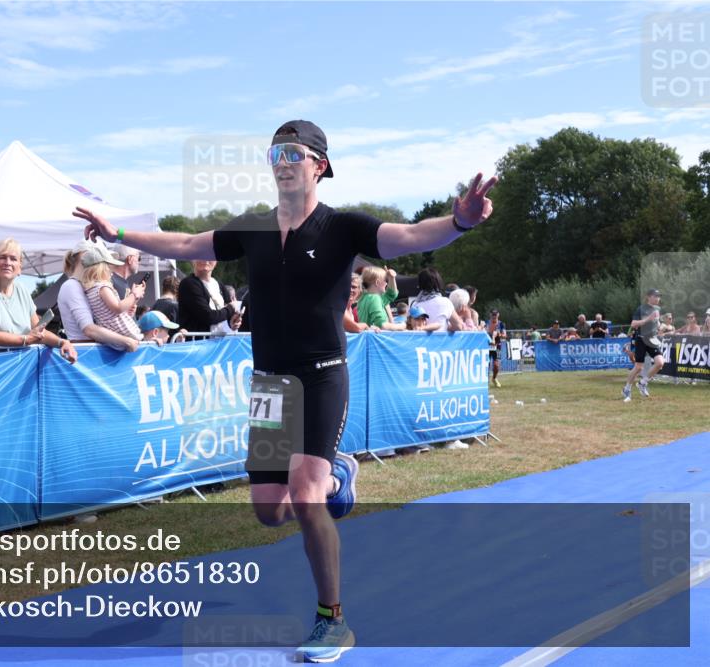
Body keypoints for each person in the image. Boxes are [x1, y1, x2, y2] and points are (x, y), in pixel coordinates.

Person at [75, 118, 496, 664]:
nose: (282, 162)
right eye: (275, 153)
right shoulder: (250, 229)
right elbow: (182, 242)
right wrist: (118, 235)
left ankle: (332, 620)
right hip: (271, 384)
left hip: (321, 374)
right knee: (270, 512)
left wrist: (459, 222)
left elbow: (410, 236)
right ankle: (340, 470)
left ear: (319, 164)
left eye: (293, 152)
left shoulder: (344, 226)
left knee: (305, 494)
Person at [0, 238, 76, 361]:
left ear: (19, 268)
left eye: (13, 259)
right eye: (2, 257)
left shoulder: (21, 289)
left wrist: (62, 342)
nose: (7, 262)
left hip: (16, 366)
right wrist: (25, 340)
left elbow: (38, 332)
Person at [56, 240, 140, 352]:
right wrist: (126, 341)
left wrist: (126, 314)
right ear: (86, 257)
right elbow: (89, 329)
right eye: (103, 262)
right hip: (86, 355)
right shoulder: (72, 286)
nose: (108, 267)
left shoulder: (87, 286)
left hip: (93, 354)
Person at [81, 244, 143, 341]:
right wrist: (134, 295)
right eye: (109, 265)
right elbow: (117, 308)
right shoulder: (103, 287)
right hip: (122, 336)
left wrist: (128, 309)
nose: (111, 269)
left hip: (112, 337)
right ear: (101, 268)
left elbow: (110, 312)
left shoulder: (89, 289)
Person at [177, 259, 242, 334]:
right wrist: (230, 308)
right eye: (200, 256)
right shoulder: (188, 284)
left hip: (222, 341)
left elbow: (228, 314)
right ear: (192, 260)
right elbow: (208, 316)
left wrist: (233, 321)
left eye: (210, 256)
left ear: (216, 262)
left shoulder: (219, 285)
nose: (205, 260)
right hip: (200, 342)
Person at [622, 288, 665, 401]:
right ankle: (627, 388)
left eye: (658, 296)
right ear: (648, 297)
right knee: (638, 367)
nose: (657, 298)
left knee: (660, 363)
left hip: (652, 339)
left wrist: (659, 326)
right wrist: (648, 319)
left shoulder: (657, 309)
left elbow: (655, 323)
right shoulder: (641, 309)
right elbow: (634, 324)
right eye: (655, 296)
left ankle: (642, 383)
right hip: (641, 339)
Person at [412, 267, 463, 332]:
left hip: (420, 341)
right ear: (438, 282)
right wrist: (446, 327)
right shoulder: (445, 302)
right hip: (441, 341)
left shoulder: (415, 304)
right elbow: (458, 326)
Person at [486, 309, 507, 388]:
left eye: (495, 315)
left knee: (496, 365)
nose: (494, 316)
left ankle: (494, 378)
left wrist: (499, 334)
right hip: (486, 346)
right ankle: (485, 381)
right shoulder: (486, 323)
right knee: (486, 364)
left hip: (497, 346)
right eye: (493, 315)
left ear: (498, 315)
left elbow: (505, 335)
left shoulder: (501, 324)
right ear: (490, 315)